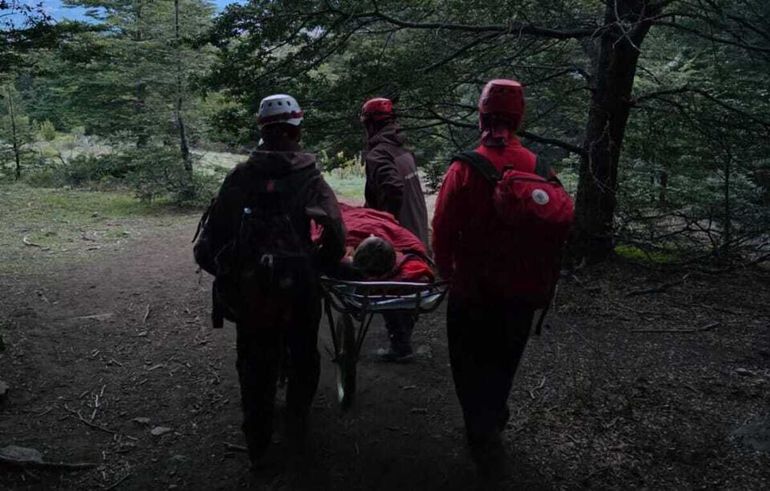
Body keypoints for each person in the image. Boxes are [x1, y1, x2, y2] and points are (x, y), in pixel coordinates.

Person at [194, 94, 345, 468]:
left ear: (262, 129)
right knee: (303, 354)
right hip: (299, 288)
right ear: (297, 129)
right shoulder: (309, 177)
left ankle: (258, 445)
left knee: (254, 363)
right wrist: (316, 265)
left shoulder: (242, 176)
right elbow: (336, 236)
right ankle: (297, 424)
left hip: (253, 290)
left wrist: (230, 273)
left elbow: (209, 243)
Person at [432, 79, 556, 471]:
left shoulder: (464, 167)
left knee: (468, 361)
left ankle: (479, 429)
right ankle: (494, 416)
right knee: (504, 358)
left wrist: (447, 271)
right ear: (519, 117)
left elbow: (443, 229)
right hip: (521, 291)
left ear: (482, 114)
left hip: (472, 289)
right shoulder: (541, 168)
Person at [360, 97, 430, 361]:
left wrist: (385, 224)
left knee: (387, 282)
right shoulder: (401, 149)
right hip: (416, 226)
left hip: (400, 231)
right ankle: (402, 340)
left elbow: (392, 187)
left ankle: (400, 346)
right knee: (407, 283)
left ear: (370, 124)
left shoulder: (379, 154)